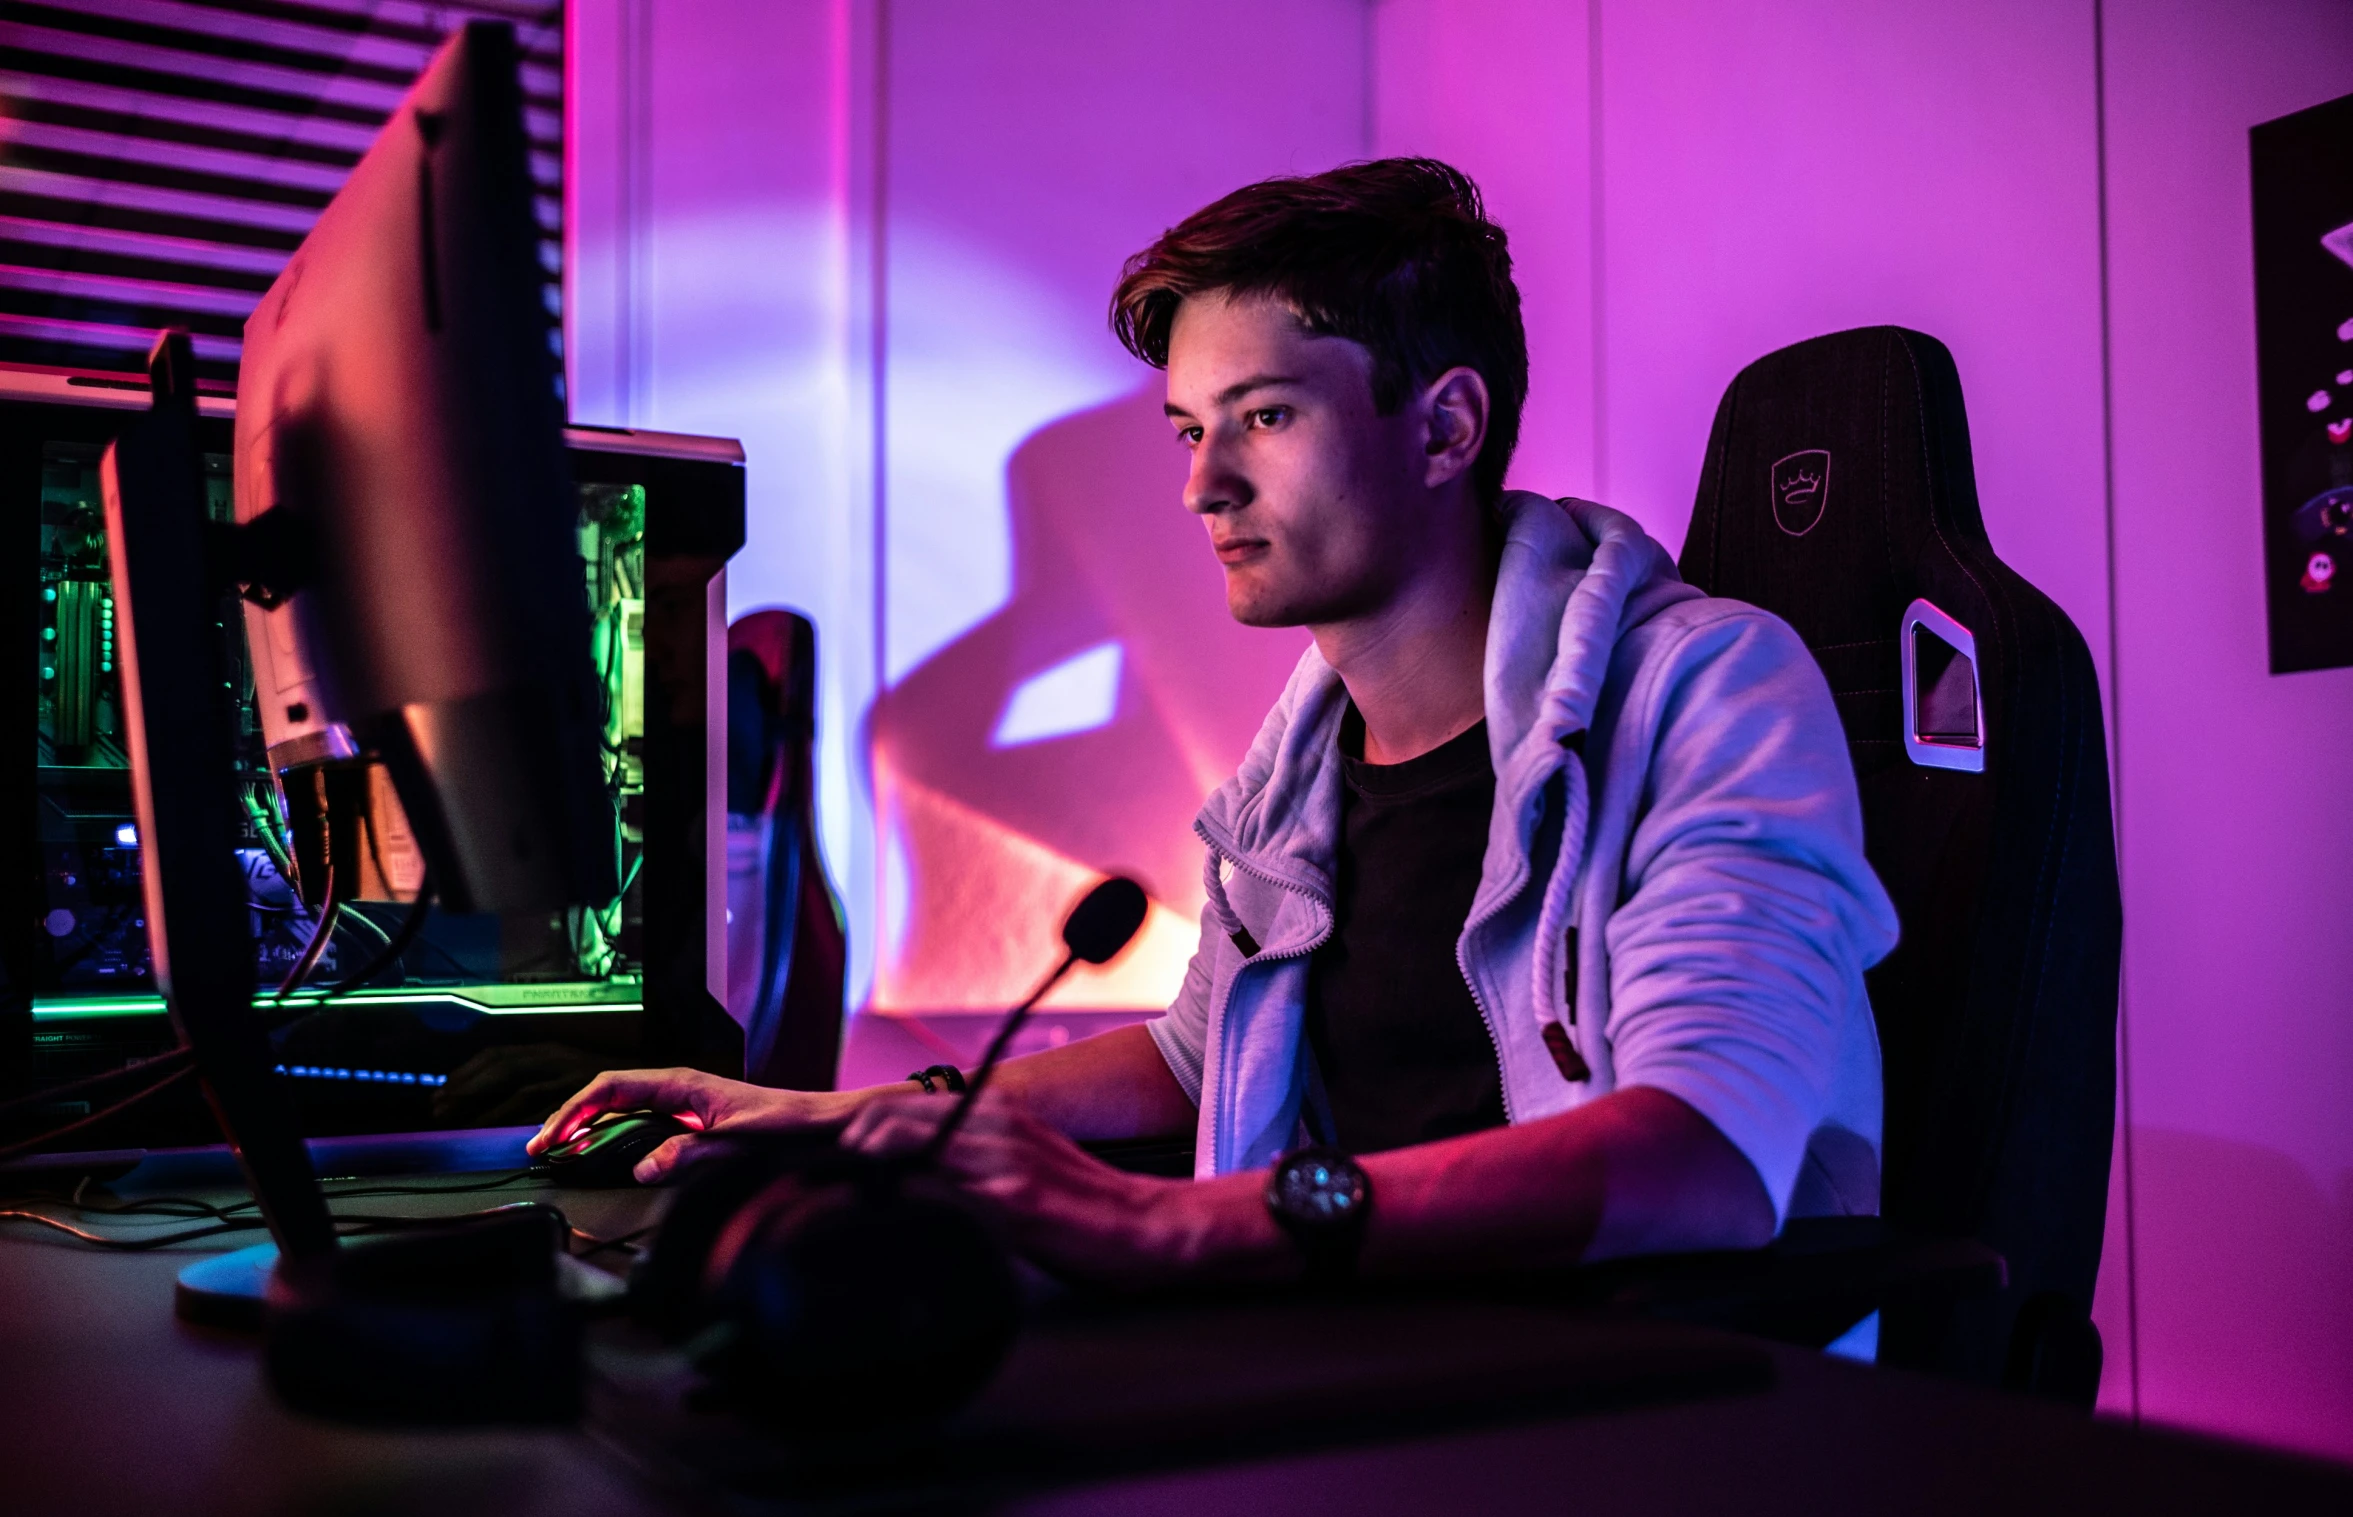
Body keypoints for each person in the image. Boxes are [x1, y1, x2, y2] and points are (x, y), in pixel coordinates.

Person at [529, 158, 1898, 1289]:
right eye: (1190, 429)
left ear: (1444, 429)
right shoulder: (1294, 771)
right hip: (1362, 1366)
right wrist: (858, 1123)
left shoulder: (1704, 693)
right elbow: (1196, 1058)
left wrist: (1165, 1224)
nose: (1204, 487)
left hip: (1624, 1412)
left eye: (1265, 416)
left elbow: (1698, 1158)